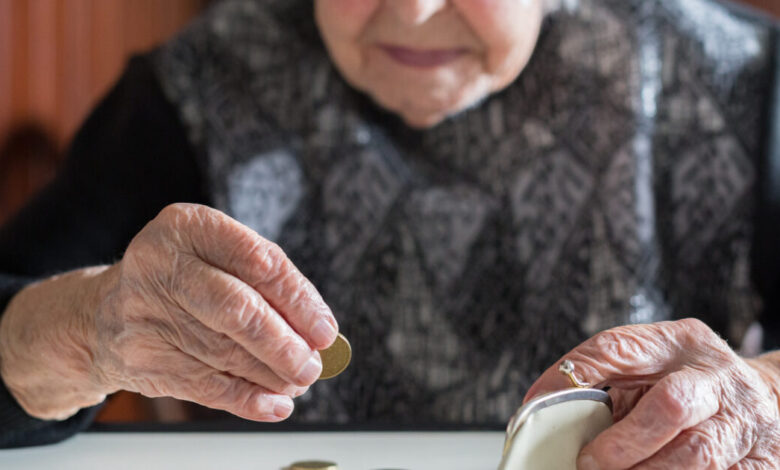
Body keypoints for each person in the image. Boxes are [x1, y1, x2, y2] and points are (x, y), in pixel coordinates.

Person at [0, 0, 778, 466]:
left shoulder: (743, 81)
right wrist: (87, 328)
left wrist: (762, 393)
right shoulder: (193, 89)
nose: (410, 10)